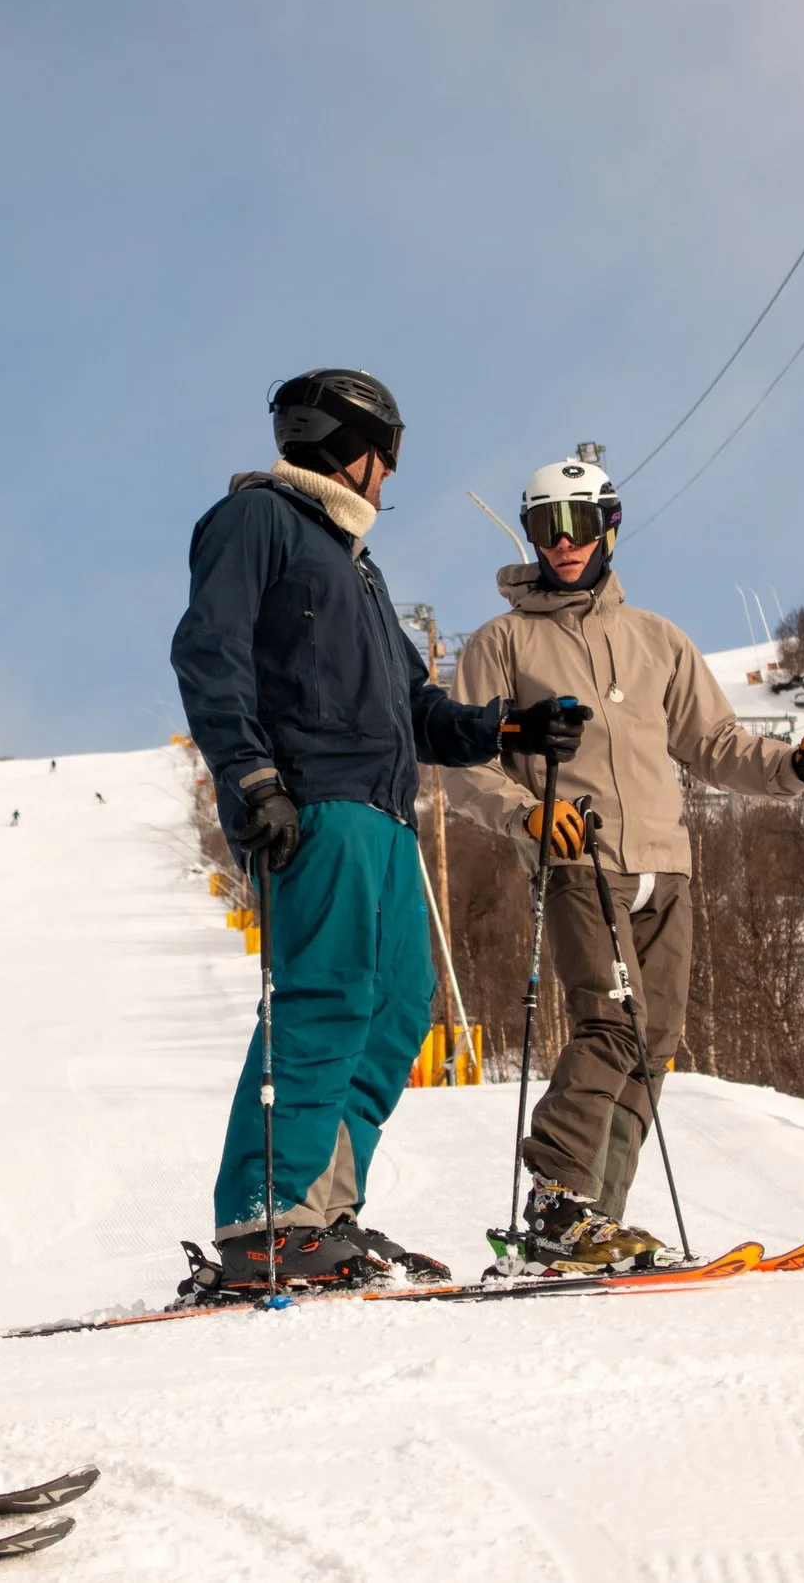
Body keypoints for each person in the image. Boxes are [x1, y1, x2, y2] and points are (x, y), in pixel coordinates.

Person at [170, 369, 587, 1295]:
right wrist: (251, 777)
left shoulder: (355, 564)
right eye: (384, 459)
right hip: (313, 802)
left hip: (387, 813)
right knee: (324, 996)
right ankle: (267, 1216)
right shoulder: (256, 522)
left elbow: (417, 707)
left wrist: (507, 729)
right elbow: (209, 651)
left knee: (397, 1006)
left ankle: (322, 1207)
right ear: (345, 446)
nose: (387, 480)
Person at [445, 454, 804, 1272]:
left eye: (580, 525)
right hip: (579, 862)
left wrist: (796, 766)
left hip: (667, 865)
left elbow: (715, 744)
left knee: (655, 1040)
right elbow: (462, 764)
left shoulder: (656, 640)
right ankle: (557, 1198)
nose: (563, 543)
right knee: (609, 1020)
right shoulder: (502, 643)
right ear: (529, 534)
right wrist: (528, 813)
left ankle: (600, 1218)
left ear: (609, 527)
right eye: (545, 527)